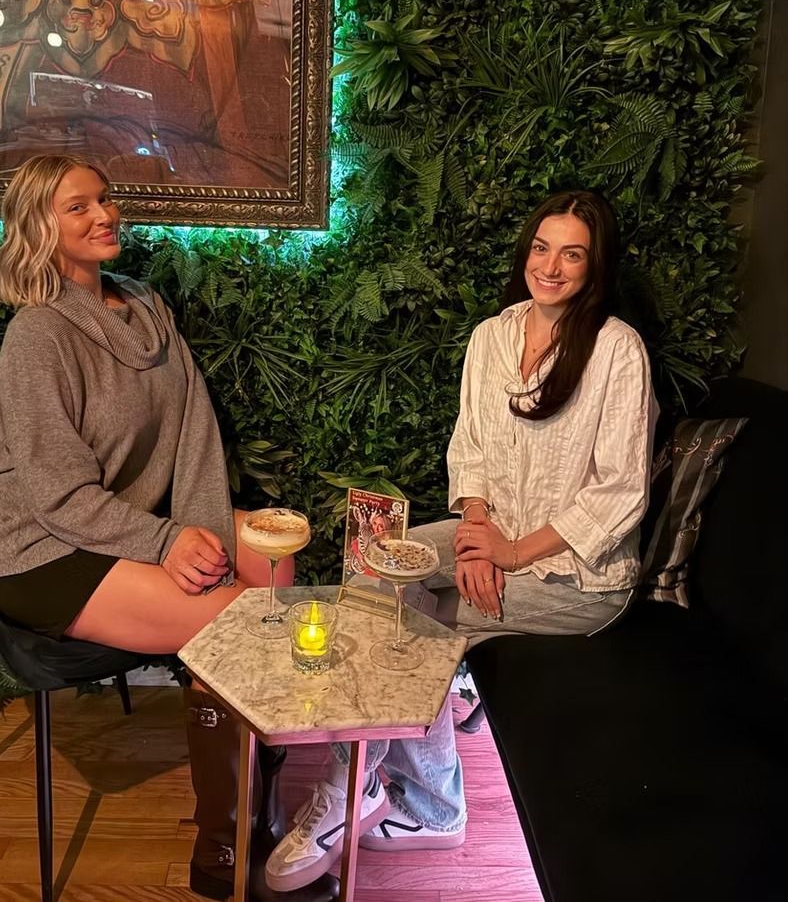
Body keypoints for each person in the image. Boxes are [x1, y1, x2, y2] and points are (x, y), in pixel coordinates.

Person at [264, 190, 658, 893]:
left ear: (595, 267)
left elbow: (620, 490)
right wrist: (478, 532)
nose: (552, 265)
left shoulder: (617, 349)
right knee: (376, 570)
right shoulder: (492, 335)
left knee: (413, 622)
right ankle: (409, 793)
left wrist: (509, 553)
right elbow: (470, 448)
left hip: (580, 577)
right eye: (542, 247)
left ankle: (381, 795)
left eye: (573, 253)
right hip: (491, 533)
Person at [0, 153, 334, 902]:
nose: (104, 214)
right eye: (78, 206)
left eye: (104, 199)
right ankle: (224, 846)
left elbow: (195, 431)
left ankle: (256, 796)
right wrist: (165, 542)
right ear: (39, 226)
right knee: (237, 620)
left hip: (126, 525)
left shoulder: (143, 305)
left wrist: (197, 525)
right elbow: (54, 496)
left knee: (270, 560)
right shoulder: (36, 337)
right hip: (45, 550)